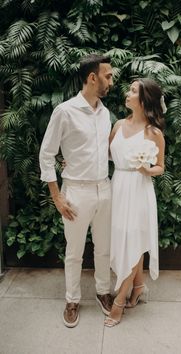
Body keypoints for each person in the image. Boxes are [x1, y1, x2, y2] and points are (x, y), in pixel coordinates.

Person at [39, 54, 114, 328]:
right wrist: (57, 196)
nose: (111, 81)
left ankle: (103, 292)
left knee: (104, 248)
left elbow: (105, 152)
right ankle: (72, 299)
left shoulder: (105, 112)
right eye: (108, 75)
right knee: (74, 251)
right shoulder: (65, 111)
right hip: (76, 192)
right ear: (92, 78)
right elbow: (46, 154)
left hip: (105, 189)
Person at [104, 78, 166, 327]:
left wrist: (146, 170)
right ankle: (138, 286)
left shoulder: (154, 133)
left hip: (139, 190)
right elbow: (104, 154)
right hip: (118, 186)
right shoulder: (118, 125)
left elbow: (161, 166)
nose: (126, 93)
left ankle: (119, 301)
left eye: (132, 91)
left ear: (143, 100)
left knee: (134, 239)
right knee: (125, 239)